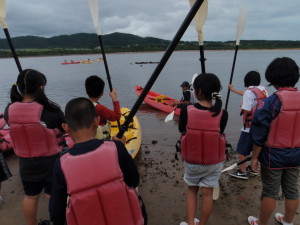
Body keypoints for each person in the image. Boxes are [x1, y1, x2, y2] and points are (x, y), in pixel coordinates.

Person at [49, 97, 143, 225]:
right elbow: (133, 180)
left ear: (66, 127)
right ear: (97, 121)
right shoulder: (116, 148)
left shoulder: (61, 164)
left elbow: (56, 214)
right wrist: (122, 149)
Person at [4, 69, 65, 225]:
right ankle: (58, 221)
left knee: (30, 196)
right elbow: (65, 128)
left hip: (26, 162)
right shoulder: (51, 110)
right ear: (41, 88)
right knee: (52, 195)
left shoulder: (8, 110)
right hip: (51, 161)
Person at [248, 57, 300, 225]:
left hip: (273, 155)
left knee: (270, 191)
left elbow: (259, 135)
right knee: (292, 190)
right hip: (296, 154)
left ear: (273, 79)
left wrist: (255, 157)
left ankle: (262, 223)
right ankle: (287, 221)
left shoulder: (270, 103)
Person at [179, 73, 228, 225]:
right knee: (207, 195)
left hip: (192, 162)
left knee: (192, 191)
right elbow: (219, 133)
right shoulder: (223, 113)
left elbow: (182, 131)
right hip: (213, 163)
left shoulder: (186, 110)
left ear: (198, 92)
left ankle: (190, 222)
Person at [228, 71, 268, 179]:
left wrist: (241, 105)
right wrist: (232, 90)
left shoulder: (248, 93)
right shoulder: (262, 90)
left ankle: (243, 171)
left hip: (249, 127)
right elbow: (247, 94)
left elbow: (246, 110)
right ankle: (254, 169)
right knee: (256, 148)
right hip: (261, 126)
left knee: (241, 150)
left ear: (247, 81)